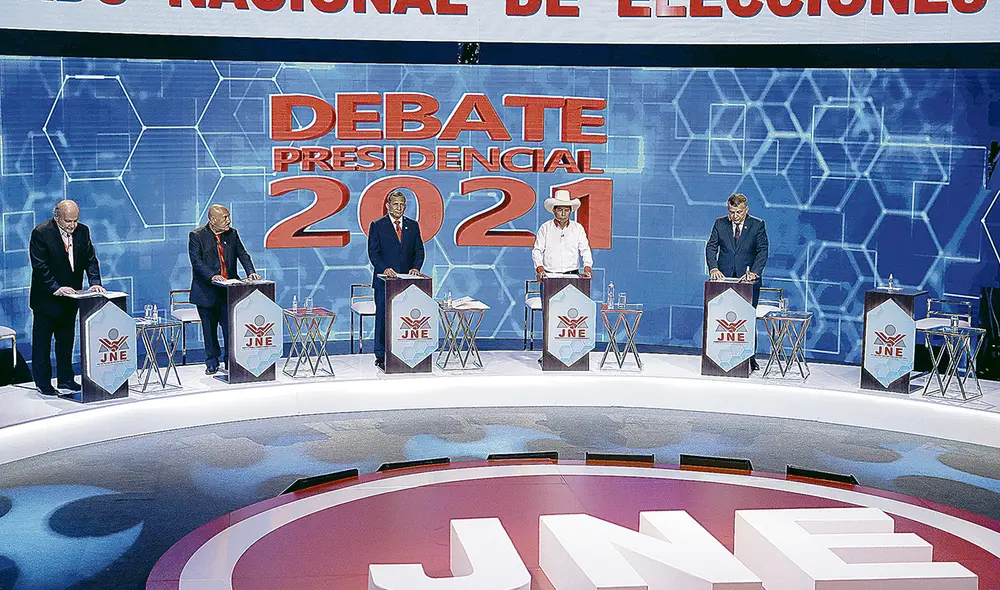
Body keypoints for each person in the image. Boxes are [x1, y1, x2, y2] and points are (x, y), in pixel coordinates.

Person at [29, 200, 105, 395]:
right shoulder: (41, 233)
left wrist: (95, 282)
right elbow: (40, 267)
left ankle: (66, 379)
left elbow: (90, 259)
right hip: (47, 298)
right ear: (57, 217)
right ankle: (43, 383)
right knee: (43, 343)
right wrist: (56, 287)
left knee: (66, 340)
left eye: (75, 220)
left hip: (71, 298)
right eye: (68, 221)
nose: (72, 225)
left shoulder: (83, 231)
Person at [188, 204, 261, 375]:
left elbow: (243, 254)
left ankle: (231, 361)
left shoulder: (232, 234)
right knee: (209, 329)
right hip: (206, 291)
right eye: (225, 217)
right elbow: (196, 262)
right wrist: (212, 276)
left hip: (229, 292)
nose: (229, 220)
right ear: (213, 220)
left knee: (230, 328)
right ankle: (212, 362)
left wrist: (251, 272)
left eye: (228, 216)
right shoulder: (197, 236)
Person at [705, 193, 769, 370]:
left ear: (746, 210)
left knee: (746, 319)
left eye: (739, 212)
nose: (735, 216)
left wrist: (754, 273)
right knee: (721, 319)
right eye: (732, 212)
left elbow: (762, 252)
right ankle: (718, 357)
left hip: (748, 281)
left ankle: (750, 359)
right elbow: (711, 247)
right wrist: (714, 268)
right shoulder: (720, 223)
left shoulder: (757, 225)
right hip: (724, 279)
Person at [367, 191, 425, 371]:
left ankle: (405, 352)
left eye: (402, 205)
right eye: (395, 204)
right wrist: (384, 269)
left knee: (405, 318)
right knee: (383, 317)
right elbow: (373, 253)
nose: (398, 208)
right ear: (388, 205)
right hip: (385, 282)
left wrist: (416, 268)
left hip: (407, 282)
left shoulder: (412, 226)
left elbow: (419, 251)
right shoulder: (378, 225)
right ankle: (381, 354)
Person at [531, 189, 594, 280]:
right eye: (560, 210)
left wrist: (587, 268)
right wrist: (539, 269)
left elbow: (585, 250)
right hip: (550, 275)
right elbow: (537, 250)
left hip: (573, 275)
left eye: (566, 210)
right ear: (554, 211)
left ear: (570, 211)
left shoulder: (577, 228)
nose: (563, 213)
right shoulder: (545, 228)